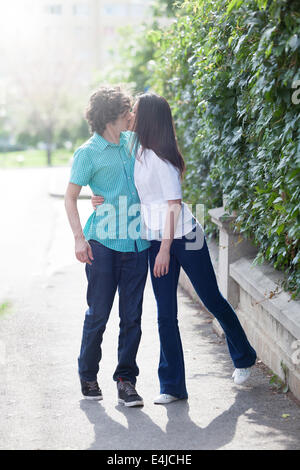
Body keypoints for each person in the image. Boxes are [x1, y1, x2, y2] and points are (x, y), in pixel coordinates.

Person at [92, 92, 257, 405]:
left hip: (183, 235)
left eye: (136, 111)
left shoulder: (162, 158)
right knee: (165, 313)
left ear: (149, 118)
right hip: (157, 239)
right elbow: (114, 172)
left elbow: (174, 205)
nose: (131, 116)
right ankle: (172, 386)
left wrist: (166, 248)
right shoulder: (133, 147)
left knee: (211, 298)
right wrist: (98, 195)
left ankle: (244, 356)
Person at [64, 86, 150, 406]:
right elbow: (71, 197)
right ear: (112, 115)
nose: (131, 115)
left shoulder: (134, 142)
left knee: (132, 317)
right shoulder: (87, 153)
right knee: (99, 313)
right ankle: (88, 373)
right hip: (102, 243)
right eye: (127, 110)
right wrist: (78, 237)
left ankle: (126, 380)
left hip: (137, 243)